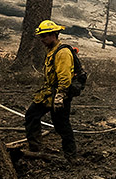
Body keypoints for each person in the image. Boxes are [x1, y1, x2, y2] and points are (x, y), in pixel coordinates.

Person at [24, 19, 78, 158]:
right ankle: (35, 148)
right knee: (31, 115)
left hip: (59, 94)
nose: (41, 39)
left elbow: (65, 77)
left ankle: (70, 156)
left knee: (61, 125)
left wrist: (60, 96)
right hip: (48, 92)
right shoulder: (52, 51)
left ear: (53, 35)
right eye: (40, 36)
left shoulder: (63, 53)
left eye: (44, 36)